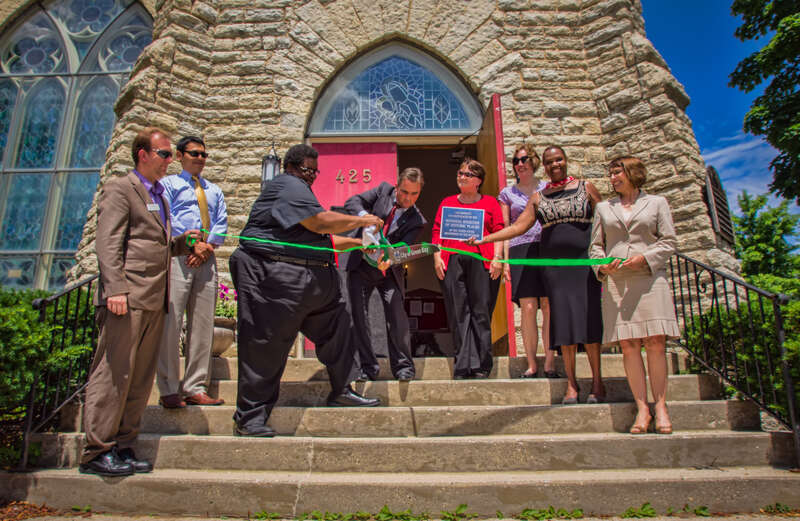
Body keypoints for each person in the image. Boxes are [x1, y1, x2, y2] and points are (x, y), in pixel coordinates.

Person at [229, 144, 383, 438]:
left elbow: (323, 239)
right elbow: (320, 222)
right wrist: (363, 221)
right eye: (306, 170)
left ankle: (342, 390)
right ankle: (249, 418)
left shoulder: (300, 195)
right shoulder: (287, 185)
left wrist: (359, 243)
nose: (311, 175)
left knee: (339, 327)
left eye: (315, 171)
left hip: (311, 283)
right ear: (289, 167)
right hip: (273, 279)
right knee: (265, 346)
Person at [80, 127, 201, 476]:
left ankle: (123, 445)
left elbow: (153, 243)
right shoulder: (121, 188)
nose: (169, 160)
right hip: (127, 299)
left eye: (170, 154)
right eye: (164, 154)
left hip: (154, 300)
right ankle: (96, 450)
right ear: (143, 154)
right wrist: (115, 289)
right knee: (114, 374)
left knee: (140, 378)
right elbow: (108, 243)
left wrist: (181, 243)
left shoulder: (159, 195)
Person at [472, 146, 605, 404]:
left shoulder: (586, 187)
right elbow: (518, 227)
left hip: (584, 265)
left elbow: (606, 219)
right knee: (563, 325)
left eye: (559, 159)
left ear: (565, 160)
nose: (555, 164)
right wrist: (485, 239)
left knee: (589, 322)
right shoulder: (539, 197)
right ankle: (572, 385)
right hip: (554, 269)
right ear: (544, 166)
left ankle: (598, 384)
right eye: (550, 162)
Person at [590, 156, 679, 434]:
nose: (613, 178)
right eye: (611, 173)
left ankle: (660, 406)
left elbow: (669, 241)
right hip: (618, 282)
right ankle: (642, 409)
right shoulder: (604, 208)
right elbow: (595, 247)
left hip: (649, 278)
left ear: (633, 173)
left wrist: (645, 258)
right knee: (628, 345)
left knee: (655, 342)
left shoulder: (657, 203)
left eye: (618, 172)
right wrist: (601, 266)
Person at [157, 136, 227, 408]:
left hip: (206, 258)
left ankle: (196, 387)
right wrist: (191, 245)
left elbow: (220, 221)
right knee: (171, 323)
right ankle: (168, 388)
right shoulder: (168, 185)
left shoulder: (214, 190)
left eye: (203, 155)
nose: (200, 158)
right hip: (178, 256)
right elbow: (166, 218)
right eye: (195, 153)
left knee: (203, 325)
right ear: (180, 156)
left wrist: (207, 247)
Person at [344, 168, 426, 382]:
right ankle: (367, 368)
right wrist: (365, 218)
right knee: (359, 316)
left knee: (396, 313)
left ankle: (404, 368)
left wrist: (390, 259)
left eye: (414, 194)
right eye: (404, 192)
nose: (408, 198)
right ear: (397, 187)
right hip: (361, 265)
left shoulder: (417, 220)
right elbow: (353, 202)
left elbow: (404, 248)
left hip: (388, 271)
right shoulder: (383, 190)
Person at [432, 159, 503, 379]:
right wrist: (437, 257)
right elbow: (437, 232)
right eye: (460, 173)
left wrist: (498, 258)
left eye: (467, 174)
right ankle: (462, 365)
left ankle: (482, 365)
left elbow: (499, 231)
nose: (461, 177)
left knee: (481, 312)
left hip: (483, 260)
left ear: (478, 181)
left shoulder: (491, 203)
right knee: (458, 312)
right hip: (452, 260)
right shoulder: (447, 202)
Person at [498, 144, 556, 379]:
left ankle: (550, 361)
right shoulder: (507, 193)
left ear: (533, 162)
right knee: (528, 307)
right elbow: (505, 228)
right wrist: (504, 261)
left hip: (546, 247)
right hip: (520, 248)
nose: (519, 164)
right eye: (515, 161)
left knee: (548, 305)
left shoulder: (547, 188)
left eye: (523, 160)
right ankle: (532, 364)